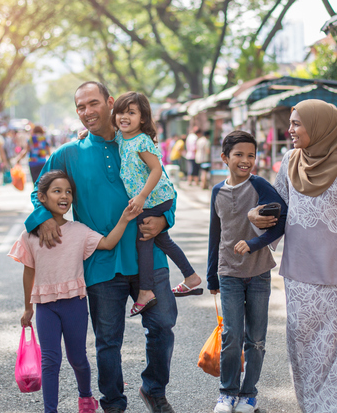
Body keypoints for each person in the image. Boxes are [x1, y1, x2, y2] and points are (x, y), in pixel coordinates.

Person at [25, 81, 178, 413]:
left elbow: (166, 188)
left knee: (163, 325)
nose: (87, 112)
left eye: (93, 103)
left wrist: (166, 220)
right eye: (80, 107)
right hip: (100, 261)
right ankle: (113, 403)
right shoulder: (68, 153)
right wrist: (44, 219)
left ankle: (153, 388)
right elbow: (38, 192)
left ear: (110, 103)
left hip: (149, 256)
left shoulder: (138, 142)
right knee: (108, 342)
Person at [249, 100, 337, 413]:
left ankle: (333, 409)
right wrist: (257, 227)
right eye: (291, 123)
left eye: (297, 123)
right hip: (298, 273)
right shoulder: (289, 161)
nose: (290, 130)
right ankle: (310, 407)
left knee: (335, 349)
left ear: (320, 125)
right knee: (301, 345)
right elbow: (279, 209)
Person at [10, 170, 138, 413]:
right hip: (45, 306)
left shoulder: (79, 231)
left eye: (68, 192)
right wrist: (27, 307)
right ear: (42, 197)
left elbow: (108, 243)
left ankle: (86, 397)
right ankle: (50, 410)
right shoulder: (30, 235)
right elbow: (29, 272)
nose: (65, 196)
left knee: (78, 358)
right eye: (57, 191)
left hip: (74, 305)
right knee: (50, 361)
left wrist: (124, 219)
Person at [207, 130, 287, 413]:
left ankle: (248, 395)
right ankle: (226, 394)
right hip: (228, 273)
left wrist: (254, 243)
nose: (245, 161)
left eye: (250, 155)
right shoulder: (217, 191)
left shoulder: (260, 185)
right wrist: (211, 276)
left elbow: (282, 219)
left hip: (259, 274)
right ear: (225, 157)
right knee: (232, 335)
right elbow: (215, 234)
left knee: (256, 339)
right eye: (239, 155)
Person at [112, 92, 202, 316]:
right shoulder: (122, 137)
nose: (124, 117)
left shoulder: (141, 140)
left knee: (144, 240)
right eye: (120, 112)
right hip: (150, 199)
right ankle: (190, 276)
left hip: (157, 198)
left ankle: (145, 292)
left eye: (131, 113)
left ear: (142, 119)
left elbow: (156, 169)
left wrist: (142, 196)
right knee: (161, 239)